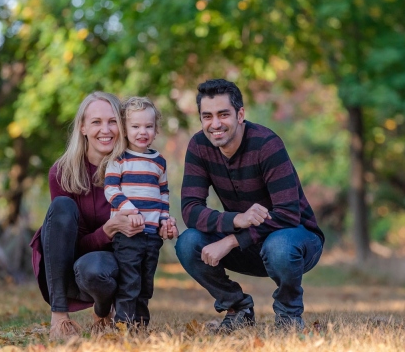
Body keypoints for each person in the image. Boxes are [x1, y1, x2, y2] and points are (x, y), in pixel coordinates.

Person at [175, 79, 325, 333]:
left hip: (296, 241)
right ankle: (238, 308)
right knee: (188, 242)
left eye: (224, 114)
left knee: (278, 245)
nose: (215, 124)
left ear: (240, 114)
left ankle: (289, 317)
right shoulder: (199, 146)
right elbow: (190, 209)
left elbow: (288, 214)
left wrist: (231, 240)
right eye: (207, 116)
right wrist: (235, 220)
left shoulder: (266, 145)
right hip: (251, 246)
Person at [29, 92, 177, 339]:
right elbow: (64, 244)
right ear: (83, 127)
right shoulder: (61, 172)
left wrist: (163, 221)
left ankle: (106, 311)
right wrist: (109, 230)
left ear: (122, 126)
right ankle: (59, 317)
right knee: (62, 209)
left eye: (112, 122)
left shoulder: (133, 167)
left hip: (116, 263)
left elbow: (156, 201)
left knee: (98, 267)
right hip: (73, 266)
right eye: (96, 122)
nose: (105, 130)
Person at [103, 96, 176, 328]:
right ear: (124, 129)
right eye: (135, 126)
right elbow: (111, 189)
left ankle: (141, 325)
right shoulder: (119, 159)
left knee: (146, 282)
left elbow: (163, 195)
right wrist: (130, 210)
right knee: (129, 280)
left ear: (156, 130)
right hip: (128, 234)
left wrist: (165, 221)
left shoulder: (159, 162)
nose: (142, 132)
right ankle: (123, 324)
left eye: (148, 126)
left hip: (152, 236)